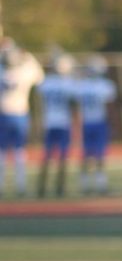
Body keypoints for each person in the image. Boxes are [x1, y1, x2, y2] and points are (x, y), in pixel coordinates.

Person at [0, 41, 45, 197]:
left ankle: (1, 185)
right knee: (19, 151)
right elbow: (39, 75)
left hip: (3, 115)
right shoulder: (24, 72)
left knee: (2, 152)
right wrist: (26, 55)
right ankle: (21, 185)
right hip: (20, 115)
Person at [36, 52, 76, 198]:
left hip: (49, 122)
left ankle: (41, 188)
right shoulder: (69, 83)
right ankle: (60, 187)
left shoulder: (46, 83)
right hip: (63, 123)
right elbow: (73, 104)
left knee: (47, 156)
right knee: (63, 156)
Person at [76, 54, 116, 195]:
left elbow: (76, 106)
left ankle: (85, 184)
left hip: (87, 123)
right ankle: (101, 184)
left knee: (86, 154)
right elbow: (109, 108)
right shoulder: (105, 85)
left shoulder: (82, 85)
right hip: (99, 122)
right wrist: (112, 124)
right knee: (99, 155)